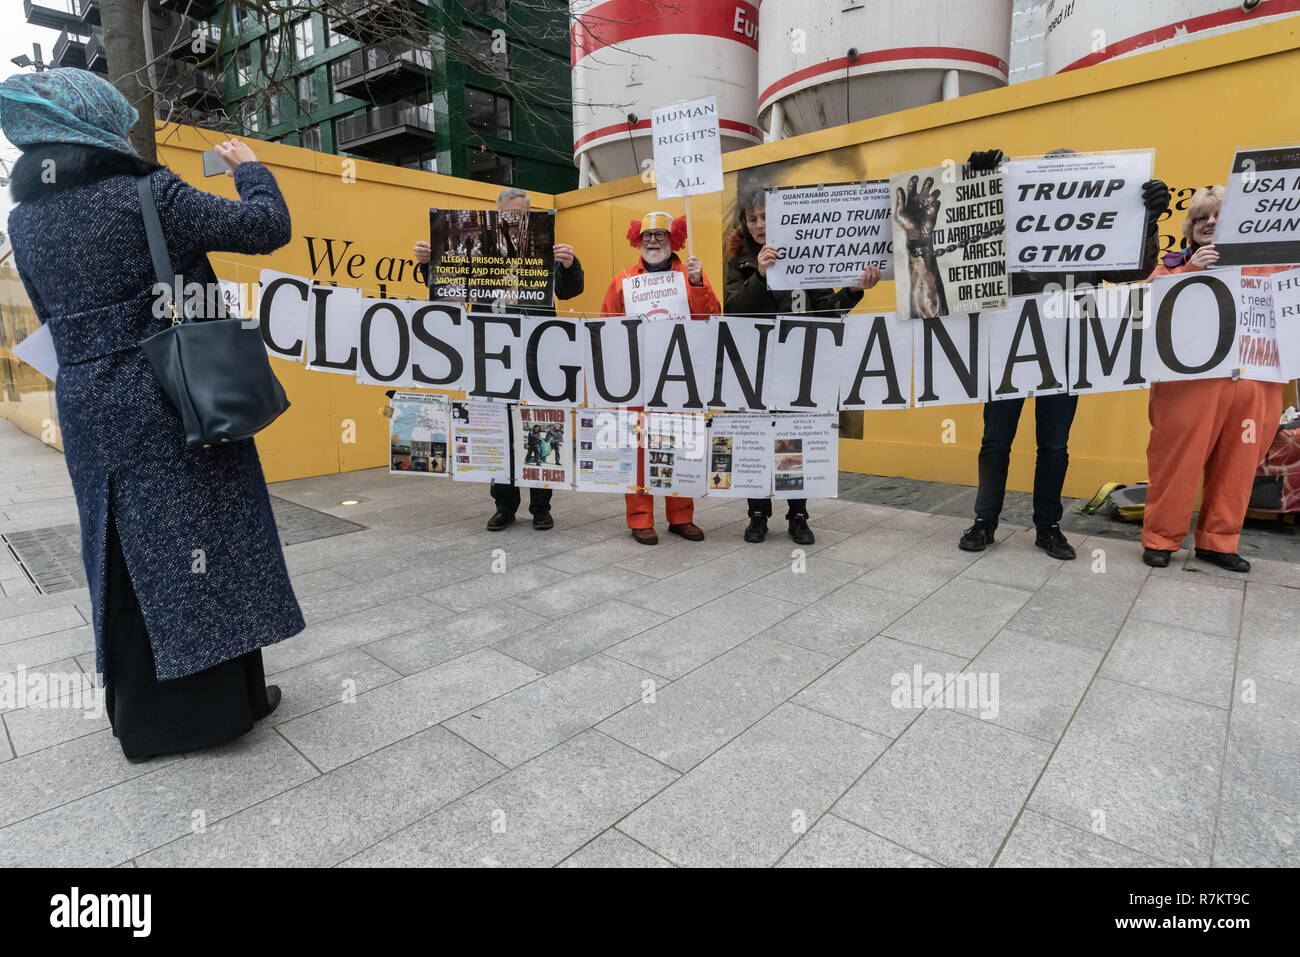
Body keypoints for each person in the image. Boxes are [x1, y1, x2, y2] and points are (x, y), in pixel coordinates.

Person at [2, 68, 304, 761]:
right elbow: (268, 228)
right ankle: (225, 704)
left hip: (85, 402)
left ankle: (144, 716)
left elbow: (53, 320)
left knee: (118, 546)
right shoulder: (148, 193)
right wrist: (252, 171)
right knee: (207, 536)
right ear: (105, 134)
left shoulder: (25, 219)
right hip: (172, 389)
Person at [958, 148, 1171, 561]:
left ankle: (1048, 526)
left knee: (1054, 446)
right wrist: (975, 185)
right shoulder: (1010, 221)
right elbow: (968, 249)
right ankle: (985, 521)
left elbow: (1135, 271)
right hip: (1009, 348)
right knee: (995, 441)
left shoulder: (1098, 227)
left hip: (1068, 352)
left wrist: (1147, 220)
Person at [415, 186, 584, 531]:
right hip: (492, 357)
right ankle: (504, 504)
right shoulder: (479, 253)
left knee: (541, 424)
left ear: (528, 217)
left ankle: (541, 507)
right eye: (505, 215)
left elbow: (569, 290)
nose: (511, 221)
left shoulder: (544, 250)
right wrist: (428, 265)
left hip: (538, 355)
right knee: (497, 427)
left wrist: (569, 264)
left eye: (518, 215)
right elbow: (448, 289)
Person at [724, 185, 881, 545]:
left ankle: (797, 515)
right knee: (760, 442)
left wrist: (854, 291)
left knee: (792, 444)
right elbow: (733, 313)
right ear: (745, 226)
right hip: (758, 371)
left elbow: (828, 311)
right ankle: (758, 514)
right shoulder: (740, 265)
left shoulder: (806, 259)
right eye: (752, 219)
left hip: (797, 370)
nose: (760, 225)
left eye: (765, 216)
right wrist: (760, 276)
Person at [1141, 185, 1285, 571]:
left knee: (1239, 466)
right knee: (1176, 462)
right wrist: (1190, 272)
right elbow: (1141, 311)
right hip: (1188, 386)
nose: (1210, 223)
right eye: (1202, 217)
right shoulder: (1170, 266)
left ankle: (1219, 542)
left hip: (1256, 382)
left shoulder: (1274, 266)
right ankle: (1161, 538)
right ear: (1190, 228)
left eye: (1220, 215)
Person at [600, 211, 720, 545]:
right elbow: (606, 326)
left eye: (661, 235)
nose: (653, 241)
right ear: (637, 240)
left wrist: (697, 285)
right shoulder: (622, 279)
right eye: (647, 235)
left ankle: (681, 517)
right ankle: (640, 519)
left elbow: (711, 319)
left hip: (679, 379)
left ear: (674, 239)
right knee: (639, 449)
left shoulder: (691, 274)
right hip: (638, 381)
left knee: (679, 446)